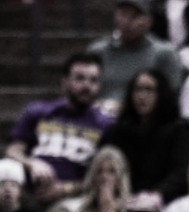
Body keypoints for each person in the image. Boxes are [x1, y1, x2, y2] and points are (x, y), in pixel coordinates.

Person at [6, 53, 112, 203]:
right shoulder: (39, 112)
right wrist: (31, 163)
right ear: (64, 82)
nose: (87, 86)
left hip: (74, 200)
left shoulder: (105, 124)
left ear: (99, 86)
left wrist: (64, 189)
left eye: (93, 80)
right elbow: (13, 151)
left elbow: (105, 179)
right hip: (28, 193)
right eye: (80, 78)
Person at [102, 70, 189, 202]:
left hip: (164, 202)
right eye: (138, 90)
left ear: (162, 94)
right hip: (122, 199)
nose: (142, 96)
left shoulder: (180, 131)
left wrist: (156, 195)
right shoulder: (119, 130)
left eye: (149, 90)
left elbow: (181, 173)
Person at [86, 0, 182, 109]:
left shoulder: (164, 54)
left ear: (150, 20)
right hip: (99, 118)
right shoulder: (97, 51)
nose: (127, 21)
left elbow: (170, 99)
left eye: (135, 16)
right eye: (123, 13)